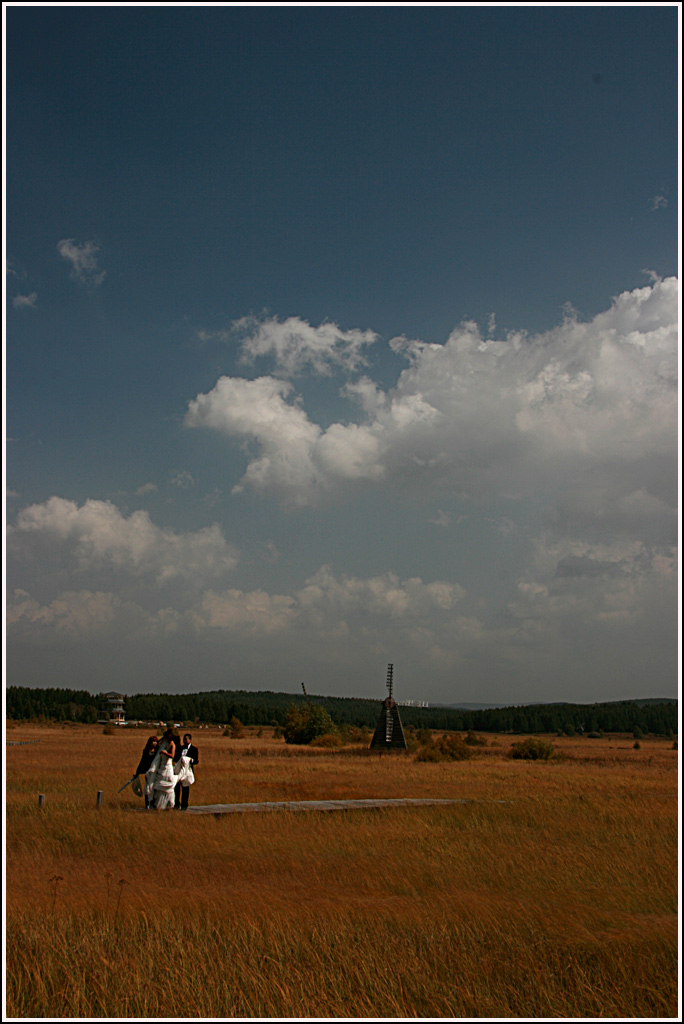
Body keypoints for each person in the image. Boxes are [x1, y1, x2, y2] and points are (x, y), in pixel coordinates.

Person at [151, 727, 177, 809]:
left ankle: (170, 803)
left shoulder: (172, 745)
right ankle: (159, 804)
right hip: (162, 767)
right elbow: (159, 743)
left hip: (167, 767)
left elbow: (172, 756)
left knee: (167, 784)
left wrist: (164, 753)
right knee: (159, 784)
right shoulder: (164, 743)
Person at [174, 733, 199, 810]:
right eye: (184, 739)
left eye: (186, 739)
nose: (185, 741)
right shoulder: (180, 748)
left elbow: (196, 761)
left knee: (185, 788)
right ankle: (176, 803)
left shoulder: (194, 749)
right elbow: (175, 758)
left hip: (187, 771)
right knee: (177, 788)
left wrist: (191, 760)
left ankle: (184, 804)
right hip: (179, 770)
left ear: (190, 740)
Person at [134, 735, 159, 809]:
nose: (154, 743)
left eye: (155, 742)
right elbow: (142, 761)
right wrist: (138, 771)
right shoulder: (146, 751)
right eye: (153, 742)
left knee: (155, 788)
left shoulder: (157, 751)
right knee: (147, 788)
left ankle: (154, 804)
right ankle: (147, 804)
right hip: (148, 772)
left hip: (156, 771)